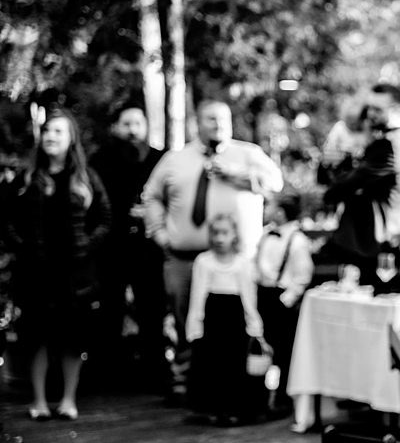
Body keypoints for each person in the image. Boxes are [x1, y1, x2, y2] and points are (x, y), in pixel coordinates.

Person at [142, 99, 283, 399]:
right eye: (210, 118)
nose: (218, 124)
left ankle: (235, 385)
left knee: (234, 323)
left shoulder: (248, 154)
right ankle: (188, 383)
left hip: (236, 263)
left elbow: (276, 184)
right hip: (185, 257)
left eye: (223, 118)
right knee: (186, 319)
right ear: (197, 123)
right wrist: (160, 233)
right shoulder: (175, 159)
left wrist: (238, 176)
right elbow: (151, 197)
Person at [7, 108, 111, 421]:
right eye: (47, 130)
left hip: (74, 276)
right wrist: (23, 247)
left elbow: (105, 219)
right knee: (36, 339)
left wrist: (85, 246)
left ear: (71, 139)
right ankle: (38, 401)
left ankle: (68, 400)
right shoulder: (28, 177)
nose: (51, 136)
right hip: (37, 274)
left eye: (58, 131)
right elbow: (8, 219)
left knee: (71, 339)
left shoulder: (85, 177)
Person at [89, 104, 167, 388]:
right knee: (110, 309)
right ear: (116, 127)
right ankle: (108, 371)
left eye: (137, 123)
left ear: (146, 126)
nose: (132, 130)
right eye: (126, 124)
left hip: (149, 248)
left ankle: (153, 370)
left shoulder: (161, 159)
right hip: (112, 247)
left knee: (152, 308)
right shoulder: (101, 159)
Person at [319, 83, 400, 288]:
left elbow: (340, 189)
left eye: (378, 109)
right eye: (369, 108)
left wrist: (339, 168)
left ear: (396, 109)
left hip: (373, 244)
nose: (371, 114)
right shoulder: (394, 137)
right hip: (373, 241)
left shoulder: (389, 144)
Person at [186, 212, 268, 425]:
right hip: (213, 318)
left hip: (235, 319)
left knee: (235, 364)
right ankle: (212, 409)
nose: (219, 238)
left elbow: (249, 297)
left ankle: (236, 410)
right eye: (215, 233)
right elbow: (198, 296)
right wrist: (195, 325)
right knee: (213, 364)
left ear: (234, 235)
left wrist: (254, 325)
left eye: (225, 233)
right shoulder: (204, 262)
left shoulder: (242, 264)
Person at [254, 192, 313, 415]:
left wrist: (285, 300)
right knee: (261, 346)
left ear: (280, 212)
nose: (265, 210)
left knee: (283, 349)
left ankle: (282, 398)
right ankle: (259, 396)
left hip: (280, 299)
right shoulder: (265, 234)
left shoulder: (297, 240)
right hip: (262, 294)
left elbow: (302, 275)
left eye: (268, 206)